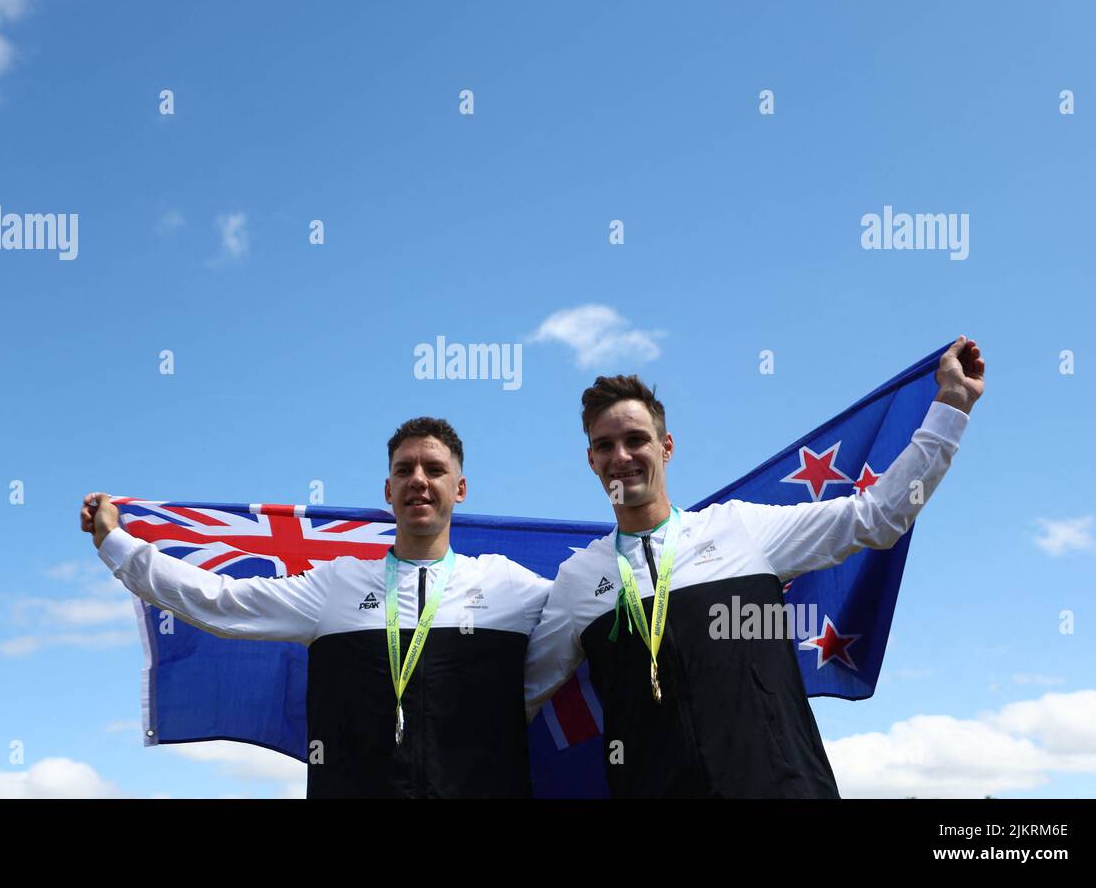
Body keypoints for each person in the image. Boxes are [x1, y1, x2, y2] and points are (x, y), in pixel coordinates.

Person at [523, 336, 986, 797]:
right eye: (605, 446)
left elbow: (878, 516)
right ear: (591, 461)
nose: (621, 457)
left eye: (636, 440)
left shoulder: (741, 528)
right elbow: (513, 701)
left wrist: (951, 405)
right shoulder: (579, 579)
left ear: (666, 447)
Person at [82, 417, 550, 798]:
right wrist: (117, 545)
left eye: (434, 469)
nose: (419, 481)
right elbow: (221, 602)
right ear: (388, 490)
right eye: (404, 470)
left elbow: (595, 610)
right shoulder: (337, 584)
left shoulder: (505, 583)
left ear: (461, 488)